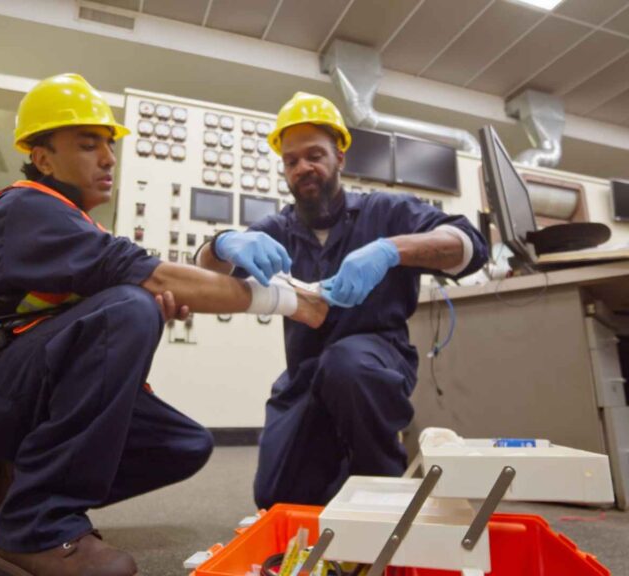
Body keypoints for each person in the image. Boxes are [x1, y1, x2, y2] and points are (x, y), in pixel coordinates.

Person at [0, 74, 327, 576]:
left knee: (181, 445)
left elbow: (139, 294)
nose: (107, 158)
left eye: (108, 146)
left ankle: (10, 480)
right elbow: (159, 277)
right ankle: (38, 527)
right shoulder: (28, 206)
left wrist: (153, 300)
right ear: (43, 157)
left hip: (16, 389)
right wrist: (292, 302)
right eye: (87, 144)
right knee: (132, 305)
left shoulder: (74, 224)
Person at [195, 92, 489, 509]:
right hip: (304, 376)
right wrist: (223, 243)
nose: (303, 168)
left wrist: (391, 249)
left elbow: (468, 246)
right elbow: (205, 274)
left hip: (375, 361)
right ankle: (337, 476)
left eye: (315, 155)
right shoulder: (277, 227)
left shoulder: (386, 211)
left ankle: (385, 491)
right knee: (276, 500)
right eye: (291, 160)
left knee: (348, 365)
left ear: (340, 159)